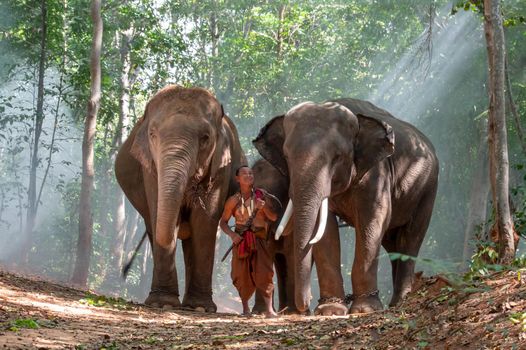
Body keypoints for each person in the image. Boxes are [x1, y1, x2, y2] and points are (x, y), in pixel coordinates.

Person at [220, 165, 278, 318]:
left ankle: (269, 309)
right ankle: (245, 309)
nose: (248, 175)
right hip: (241, 240)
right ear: (237, 179)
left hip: (260, 239)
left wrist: (263, 208)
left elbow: (273, 218)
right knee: (241, 274)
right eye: (244, 173)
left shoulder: (261, 195)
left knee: (265, 273)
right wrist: (233, 235)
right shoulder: (233, 201)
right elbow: (223, 222)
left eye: (251, 173)